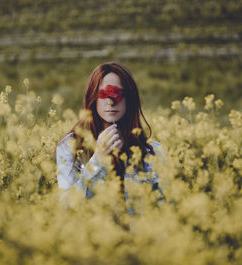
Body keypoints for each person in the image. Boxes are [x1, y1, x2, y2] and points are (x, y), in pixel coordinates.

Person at [56, 62, 163, 206]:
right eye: (103, 94)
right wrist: (97, 160)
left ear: (130, 98)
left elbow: (164, 208)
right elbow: (66, 205)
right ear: (92, 97)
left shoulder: (155, 152)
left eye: (118, 94)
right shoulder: (69, 146)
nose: (111, 101)